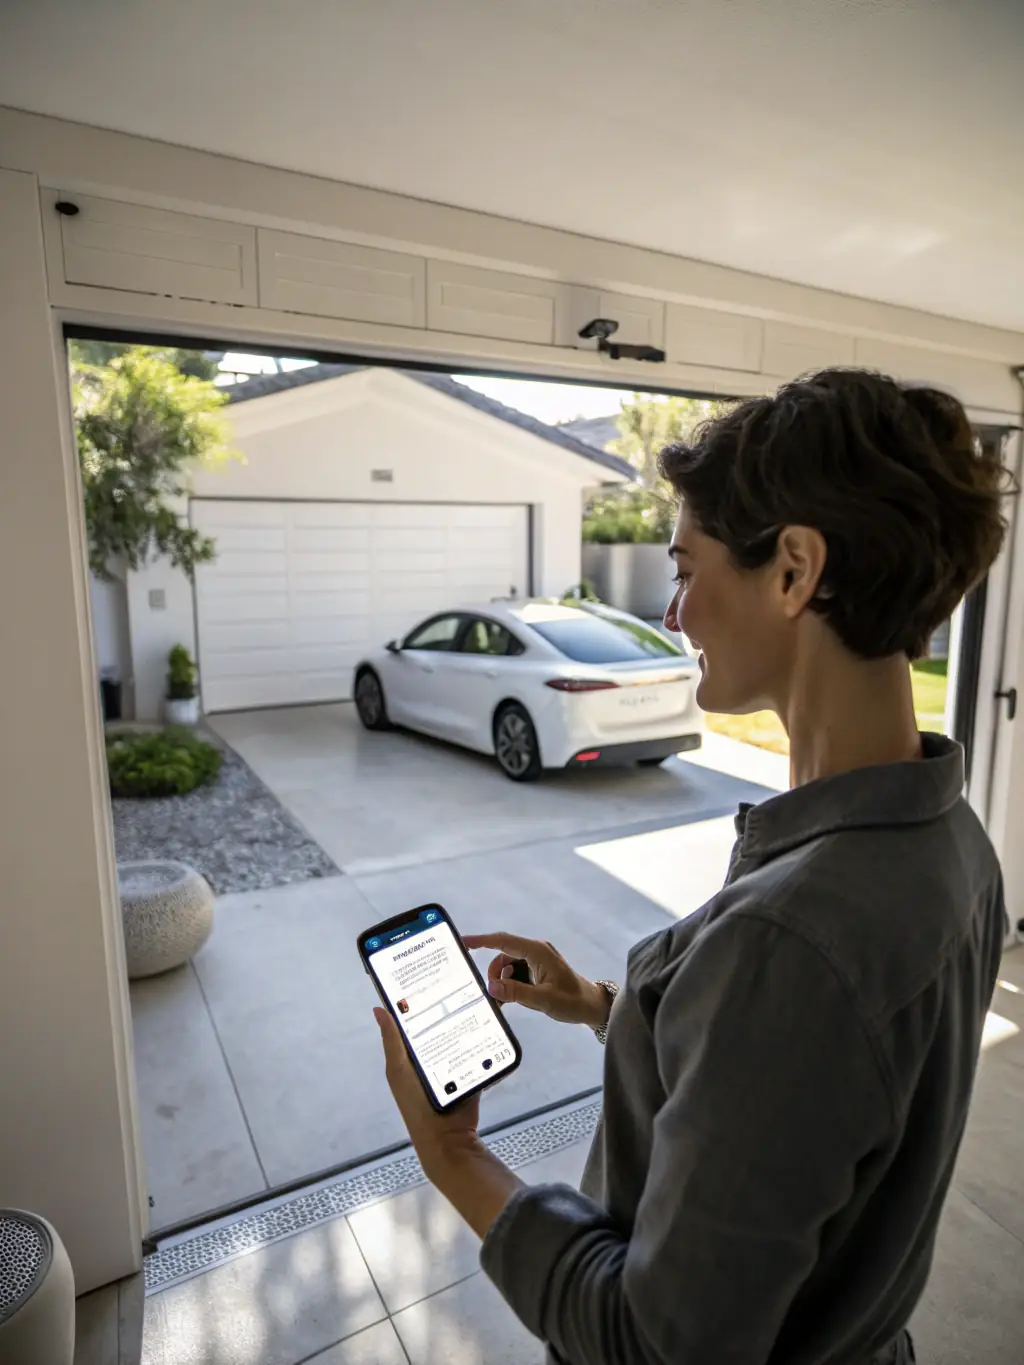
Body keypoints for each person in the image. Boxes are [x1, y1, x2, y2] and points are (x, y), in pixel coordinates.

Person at [373, 368, 1009, 1365]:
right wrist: (608, 1006)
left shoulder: (791, 938)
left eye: (685, 566)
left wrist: (452, 1153)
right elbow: (809, 1102)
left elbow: (653, 1344)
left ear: (795, 570)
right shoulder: (957, 847)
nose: (672, 612)